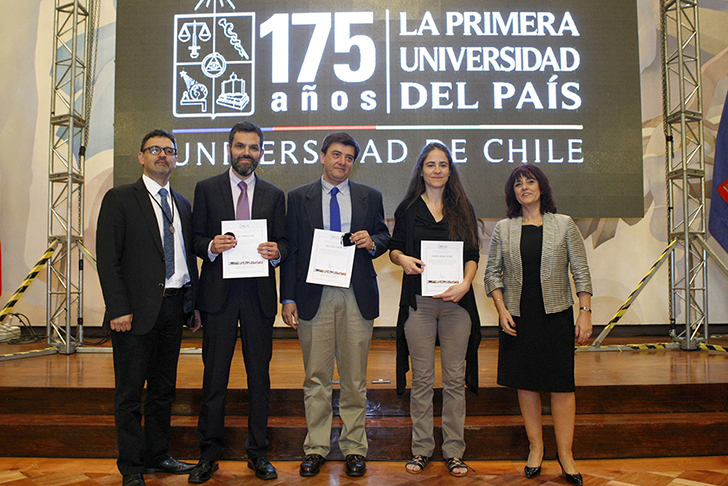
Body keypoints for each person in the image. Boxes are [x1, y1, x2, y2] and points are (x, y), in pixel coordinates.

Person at [280, 132, 391, 478]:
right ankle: (316, 447)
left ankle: (355, 448)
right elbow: (291, 250)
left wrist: (372, 241)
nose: (342, 162)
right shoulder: (298, 198)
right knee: (316, 377)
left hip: (356, 294)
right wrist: (288, 298)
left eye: (348, 157)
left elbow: (385, 237)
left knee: (355, 378)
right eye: (336, 155)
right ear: (323, 157)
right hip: (314, 295)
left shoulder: (369, 196)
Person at [96, 129, 199, 486]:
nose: (162, 156)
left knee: (163, 391)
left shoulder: (182, 203)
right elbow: (108, 260)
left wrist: (193, 304)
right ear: (141, 157)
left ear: (176, 159)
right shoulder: (121, 198)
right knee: (129, 395)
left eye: (169, 151)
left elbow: (187, 260)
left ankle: (158, 455)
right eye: (154, 150)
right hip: (134, 315)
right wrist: (117, 308)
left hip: (173, 310)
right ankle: (131, 467)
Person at [188, 122, 288, 483]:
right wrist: (211, 247)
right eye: (240, 146)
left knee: (259, 379)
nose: (247, 153)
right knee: (214, 378)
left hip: (259, 297)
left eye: (254, 147)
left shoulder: (275, 194)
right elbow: (195, 239)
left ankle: (257, 453)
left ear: (261, 152)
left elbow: (284, 241)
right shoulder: (206, 189)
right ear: (228, 149)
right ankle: (208, 454)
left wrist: (278, 252)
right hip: (218, 297)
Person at [484, 164, 593, 485]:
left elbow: (581, 270)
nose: (524, 188)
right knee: (526, 383)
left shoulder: (564, 224)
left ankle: (566, 455)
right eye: (518, 184)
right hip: (518, 316)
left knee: (561, 385)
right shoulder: (504, 228)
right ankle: (536, 449)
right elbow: (492, 273)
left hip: (557, 314)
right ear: (512, 193)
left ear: (542, 187)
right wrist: (501, 309)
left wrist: (585, 311)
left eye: (530, 182)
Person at [389, 142, 482, 477]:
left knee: (455, 379)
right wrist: (403, 260)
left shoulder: (463, 208)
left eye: (443, 164)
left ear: (450, 170)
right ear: (421, 170)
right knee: (423, 379)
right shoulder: (408, 208)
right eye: (431, 164)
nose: (437, 170)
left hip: (457, 303)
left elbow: (472, 253)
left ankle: (454, 452)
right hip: (420, 304)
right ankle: (422, 450)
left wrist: (466, 283)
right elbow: (395, 250)